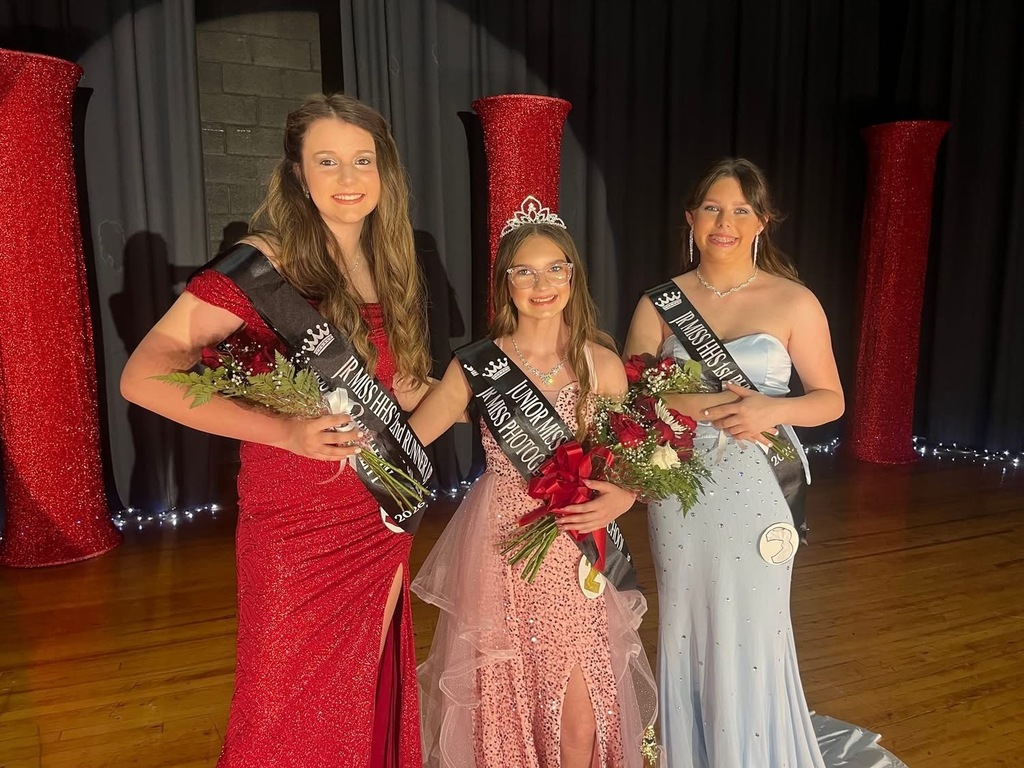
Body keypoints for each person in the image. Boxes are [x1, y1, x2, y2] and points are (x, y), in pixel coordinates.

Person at [120, 93, 432, 766]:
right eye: (327, 161)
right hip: (293, 521)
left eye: (362, 161)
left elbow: (386, 388)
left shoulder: (388, 261)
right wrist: (281, 432)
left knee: (363, 690)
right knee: (282, 701)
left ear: (385, 173)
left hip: (375, 517)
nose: (349, 179)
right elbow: (143, 376)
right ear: (297, 173)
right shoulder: (263, 263)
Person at [624, 158, 904, 767]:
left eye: (741, 210)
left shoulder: (793, 301)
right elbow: (631, 397)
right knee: (685, 622)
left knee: (755, 627)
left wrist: (769, 412)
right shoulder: (659, 303)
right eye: (713, 208)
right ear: (691, 218)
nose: (725, 222)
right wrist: (710, 404)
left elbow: (830, 401)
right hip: (679, 483)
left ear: (763, 221)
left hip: (760, 487)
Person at [409, 211, 658, 767]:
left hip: (577, 549)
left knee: (580, 715)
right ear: (505, 282)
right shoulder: (476, 366)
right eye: (525, 273)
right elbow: (408, 441)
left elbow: (635, 459)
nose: (542, 286)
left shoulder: (601, 364)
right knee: (507, 696)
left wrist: (623, 497)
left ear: (573, 277)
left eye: (554, 270)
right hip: (503, 548)